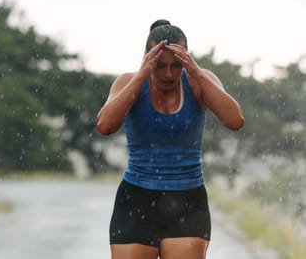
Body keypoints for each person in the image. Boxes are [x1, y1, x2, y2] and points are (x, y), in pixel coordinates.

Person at [96, 19, 244, 259]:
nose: (168, 73)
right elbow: (104, 126)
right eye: (160, 65)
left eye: (176, 65)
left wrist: (196, 71)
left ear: (186, 59)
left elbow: (235, 121)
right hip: (136, 199)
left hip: (187, 199)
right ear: (147, 58)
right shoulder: (128, 82)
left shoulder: (198, 81)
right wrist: (142, 74)